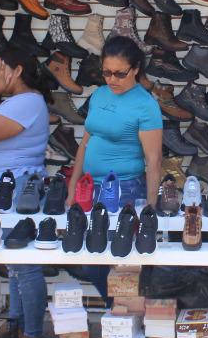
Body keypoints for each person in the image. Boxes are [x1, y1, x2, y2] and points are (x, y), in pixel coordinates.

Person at [0, 48, 53, 338]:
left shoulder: (28, 102)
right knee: (17, 266)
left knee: (25, 265)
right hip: (8, 186)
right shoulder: (19, 102)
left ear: (17, 71)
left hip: (17, 187)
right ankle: (18, 326)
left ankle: (31, 334)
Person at [68, 36, 164, 210]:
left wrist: (150, 207)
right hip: (89, 186)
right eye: (106, 72)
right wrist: (72, 187)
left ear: (135, 69)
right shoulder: (99, 94)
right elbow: (85, 143)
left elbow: (154, 160)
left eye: (120, 74)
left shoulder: (146, 105)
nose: (112, 80)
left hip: (125, 188)